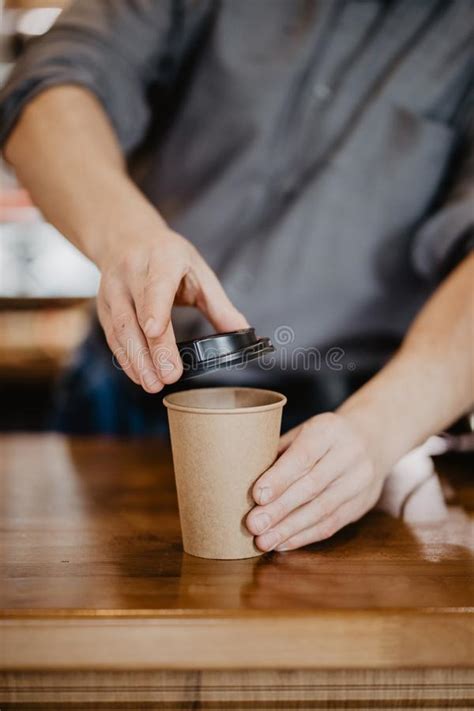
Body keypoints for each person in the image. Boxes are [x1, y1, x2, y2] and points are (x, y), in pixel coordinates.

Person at [1, 0, 472, 553]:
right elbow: (48, 83)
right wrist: (129, 238)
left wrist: (379, 430)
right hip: (125, 386)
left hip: (348, 428)